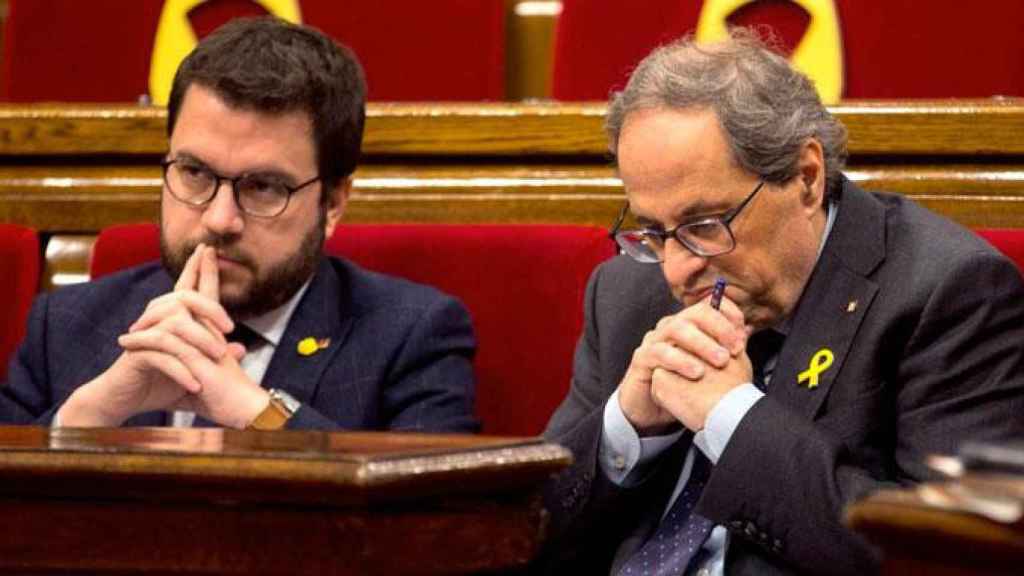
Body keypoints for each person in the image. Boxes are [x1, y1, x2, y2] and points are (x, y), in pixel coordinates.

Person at [539, 30, 1024, 575]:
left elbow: (950, 556)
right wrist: (626, 430)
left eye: (704, 225)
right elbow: (523, 536)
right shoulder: (625, 291)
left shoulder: (949, 292)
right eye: (652, 231)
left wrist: (732, 419)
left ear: (807, 177)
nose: (677, 269)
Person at [0, 17, 477, 432]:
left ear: (332, 203)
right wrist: (86, 417)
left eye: (263, 187)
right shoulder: (65, 326)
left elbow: (440, 527)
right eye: (195, 173)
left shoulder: (411, 337)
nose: (219, 219)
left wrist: (255, 412)